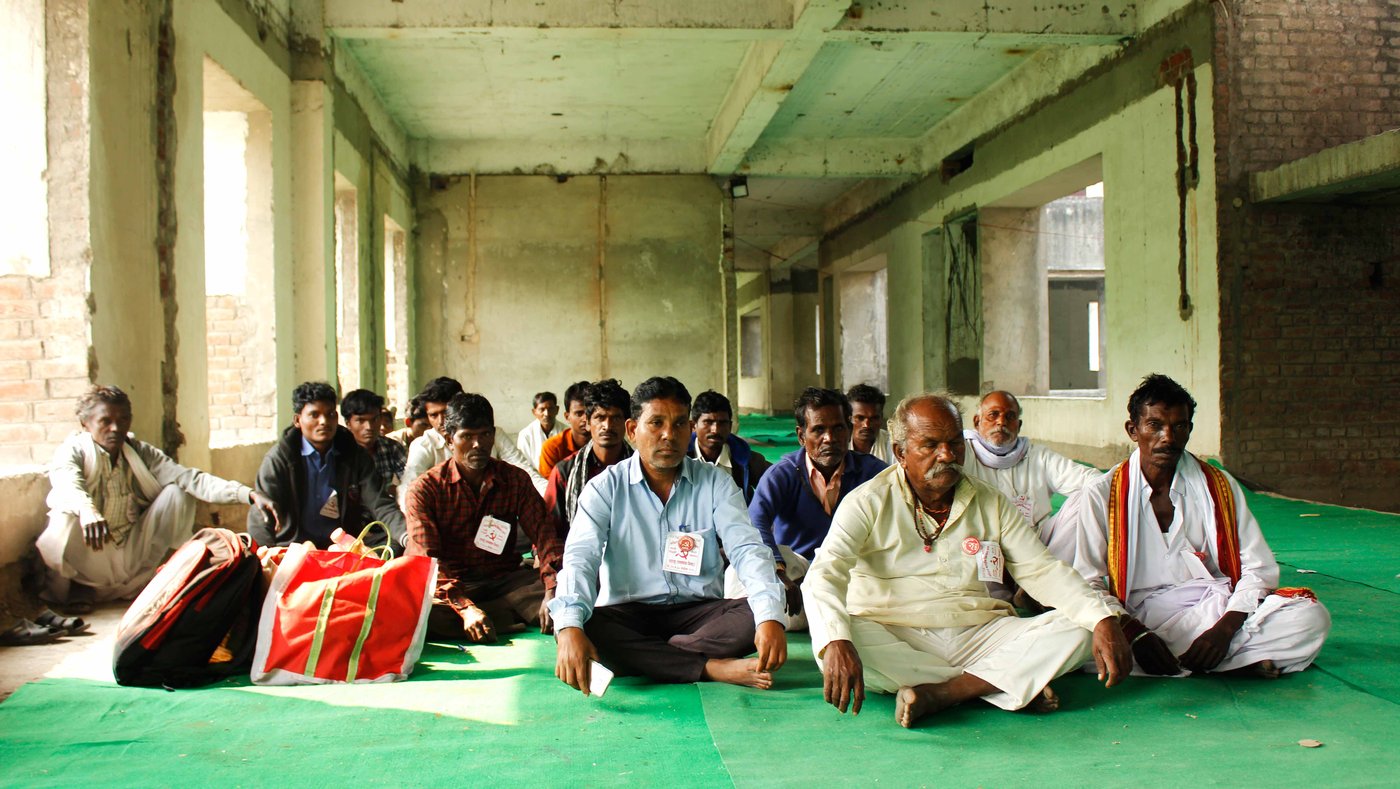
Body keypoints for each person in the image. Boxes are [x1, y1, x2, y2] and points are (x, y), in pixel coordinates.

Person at [804, 393, 1132, 728]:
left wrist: (1101, 619)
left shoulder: (990, 500)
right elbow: (824, 574)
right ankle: (999, 682)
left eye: (954, 443)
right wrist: (836, 641)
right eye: (930, 445)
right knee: (834, 640)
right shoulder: (868, 501)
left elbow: (1041, 571)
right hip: (895, 634)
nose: (946, 455)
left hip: (980, 633)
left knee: (1083, 627)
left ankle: (945, 693)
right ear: (900, 453)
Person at [1064, 374, 1331, 678]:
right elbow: (1089, 581)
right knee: (1070, 633)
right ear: (1133, 430)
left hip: (1213, 607)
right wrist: (1135, 633)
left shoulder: (1218, 485)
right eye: (1155, 425)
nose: (1168, 437)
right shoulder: (1102, 493)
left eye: (1179, 426)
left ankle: (1196, 656)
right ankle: (1232, 660)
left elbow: (1258, 568)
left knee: (1310, 618)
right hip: (1134, 614)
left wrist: (1225, 630)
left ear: (1189, 429)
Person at [550, 377, 788, 692]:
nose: (668, 435)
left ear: (690, 429)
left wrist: (769, 616)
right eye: (656, 423)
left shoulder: (715, 483)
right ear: (633, 430)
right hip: (630, 613)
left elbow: (746, 548)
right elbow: (581, 557)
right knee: (588, 625)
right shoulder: (604, 488)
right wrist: (567, 629)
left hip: (699, 613)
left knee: (753, 614)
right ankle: (709, 667)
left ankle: (652, 659)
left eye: (678, 425)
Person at [38, 385, 278, 609]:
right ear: (85, 423)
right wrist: (87, 510)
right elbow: (67, 482)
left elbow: (188, 478)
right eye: (105, 421)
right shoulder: (74, 450)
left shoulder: (138, 452)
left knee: (177, 492)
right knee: (63, 515)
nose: (116, 428)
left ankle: (158, 578)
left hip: (131, 556)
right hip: (93, 555)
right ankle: (63, 598)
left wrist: (247, 494)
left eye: (123, 420)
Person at [405, 393, 564, 643]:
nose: (478, 444)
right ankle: (498, 614)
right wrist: (465, 607)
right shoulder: (425, 489)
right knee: (414, 610)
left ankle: (494, 615)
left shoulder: (515, 480)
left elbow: (546, 537)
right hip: (452, 586)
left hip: (505, 580)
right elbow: (428, 560)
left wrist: (552, 590)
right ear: (449, 440)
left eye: (485, 435)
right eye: (467, 436)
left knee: (569, 594)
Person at [742, 388, 886, 628]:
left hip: (853, 572)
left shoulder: (873, 473)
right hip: (797, 570)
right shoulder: (783, 474)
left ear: (849, 431)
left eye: (838, 428)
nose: (829, 438)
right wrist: (778, 571)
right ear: (801, 435)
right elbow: (756, 521)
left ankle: (821, 614)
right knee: (739, 575)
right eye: (819, 430)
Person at [249, 382, 405, 550]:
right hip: (294, 547)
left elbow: (379, 503)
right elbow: (262, 513)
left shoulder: (353, 453)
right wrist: (266, 556)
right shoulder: (279, 459)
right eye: (314, 415)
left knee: (395, 545)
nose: (324, 421)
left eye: (330, 414)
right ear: (297, 420)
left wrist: (407, 537)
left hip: (343, 544)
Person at [401, 377, 547, 501]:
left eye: (446, 412)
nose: (441, 421)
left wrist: (551, 494)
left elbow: (524, 471)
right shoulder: (423, 445)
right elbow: (408, 490)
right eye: (433, 415)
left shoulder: (492, 435)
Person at [543, 380, 633, 540]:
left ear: (627, 424)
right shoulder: (565, 471)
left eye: (616, 418)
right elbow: (549, 528)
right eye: (600, 417)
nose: (607, 425)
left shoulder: (641, 469)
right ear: (588, 423)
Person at [687, 390, 771, 505]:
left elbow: (779, 482)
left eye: (722, 423)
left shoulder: (747, 460)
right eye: (708, 422)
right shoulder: (680, 459)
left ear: (730, 426)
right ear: (693, 426)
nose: (715, 430)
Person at [341, 388, 407, 501]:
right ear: (348, 423)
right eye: (361, 421)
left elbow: (410, 481)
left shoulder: (392, 447)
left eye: (374, 419)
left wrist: (399, 490)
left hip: (383, 511)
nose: (369, 427)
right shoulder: (339, 451)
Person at [537, 380, 592, 478]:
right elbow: (550, 488)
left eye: (590, 412)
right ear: (567, 417)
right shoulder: (552, 448)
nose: (585, 419)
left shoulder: (607, 443)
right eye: (579, 413)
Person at [846, 383, 893, 463]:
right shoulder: (840, 444)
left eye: (874, 418)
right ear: (848, 418)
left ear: (881, 418)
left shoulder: (892, 445)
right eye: (860, 418)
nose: (866, 425)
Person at [516, 391, 564, 469]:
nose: (547, 414)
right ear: (534, 412)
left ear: (557, 409)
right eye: (542, 409)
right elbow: (524, 465)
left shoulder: (567, 432)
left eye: (550, 409)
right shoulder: (526, 435)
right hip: (535, 479)